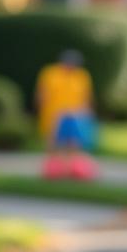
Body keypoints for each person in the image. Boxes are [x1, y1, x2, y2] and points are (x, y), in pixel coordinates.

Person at [36, 49, 96, 180]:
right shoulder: (50, 73)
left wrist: (86, 113)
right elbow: (42, 94)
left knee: (74, 145)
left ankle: (73, 171)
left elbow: (86, 97)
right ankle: (53, 171)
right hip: (53, 115)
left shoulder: (82, 76)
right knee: (53, 145)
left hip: (76, 116)